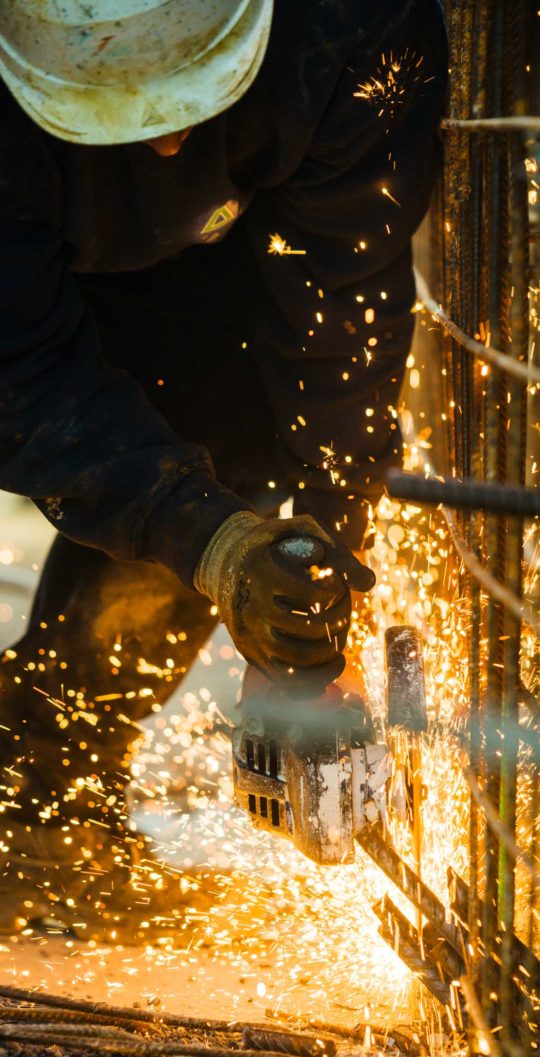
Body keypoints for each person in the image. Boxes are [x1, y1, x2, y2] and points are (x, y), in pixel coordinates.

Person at [0, 0, 447, 939]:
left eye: (178, 96)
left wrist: (313, 555)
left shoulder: (351, 27)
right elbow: (21, 373)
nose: (162, 143)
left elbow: (345, 297)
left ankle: (42, 790)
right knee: (166, 499)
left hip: (240, 234)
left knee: (222, 429)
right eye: (125, 104)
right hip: (26, 213)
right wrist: (205, 542)